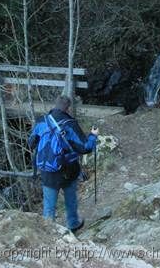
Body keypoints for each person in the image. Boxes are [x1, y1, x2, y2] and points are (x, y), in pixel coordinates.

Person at [28, 95, 98, 232]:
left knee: (49, 206)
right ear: (68, 108)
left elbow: (31, 142)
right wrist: (93, 135)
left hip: (47, 170)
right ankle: (73, 225)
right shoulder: (70, 124)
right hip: (68, 170)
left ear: (55, 105)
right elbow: (85, 147)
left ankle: (49, 233)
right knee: (70, 200)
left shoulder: (42, 121)